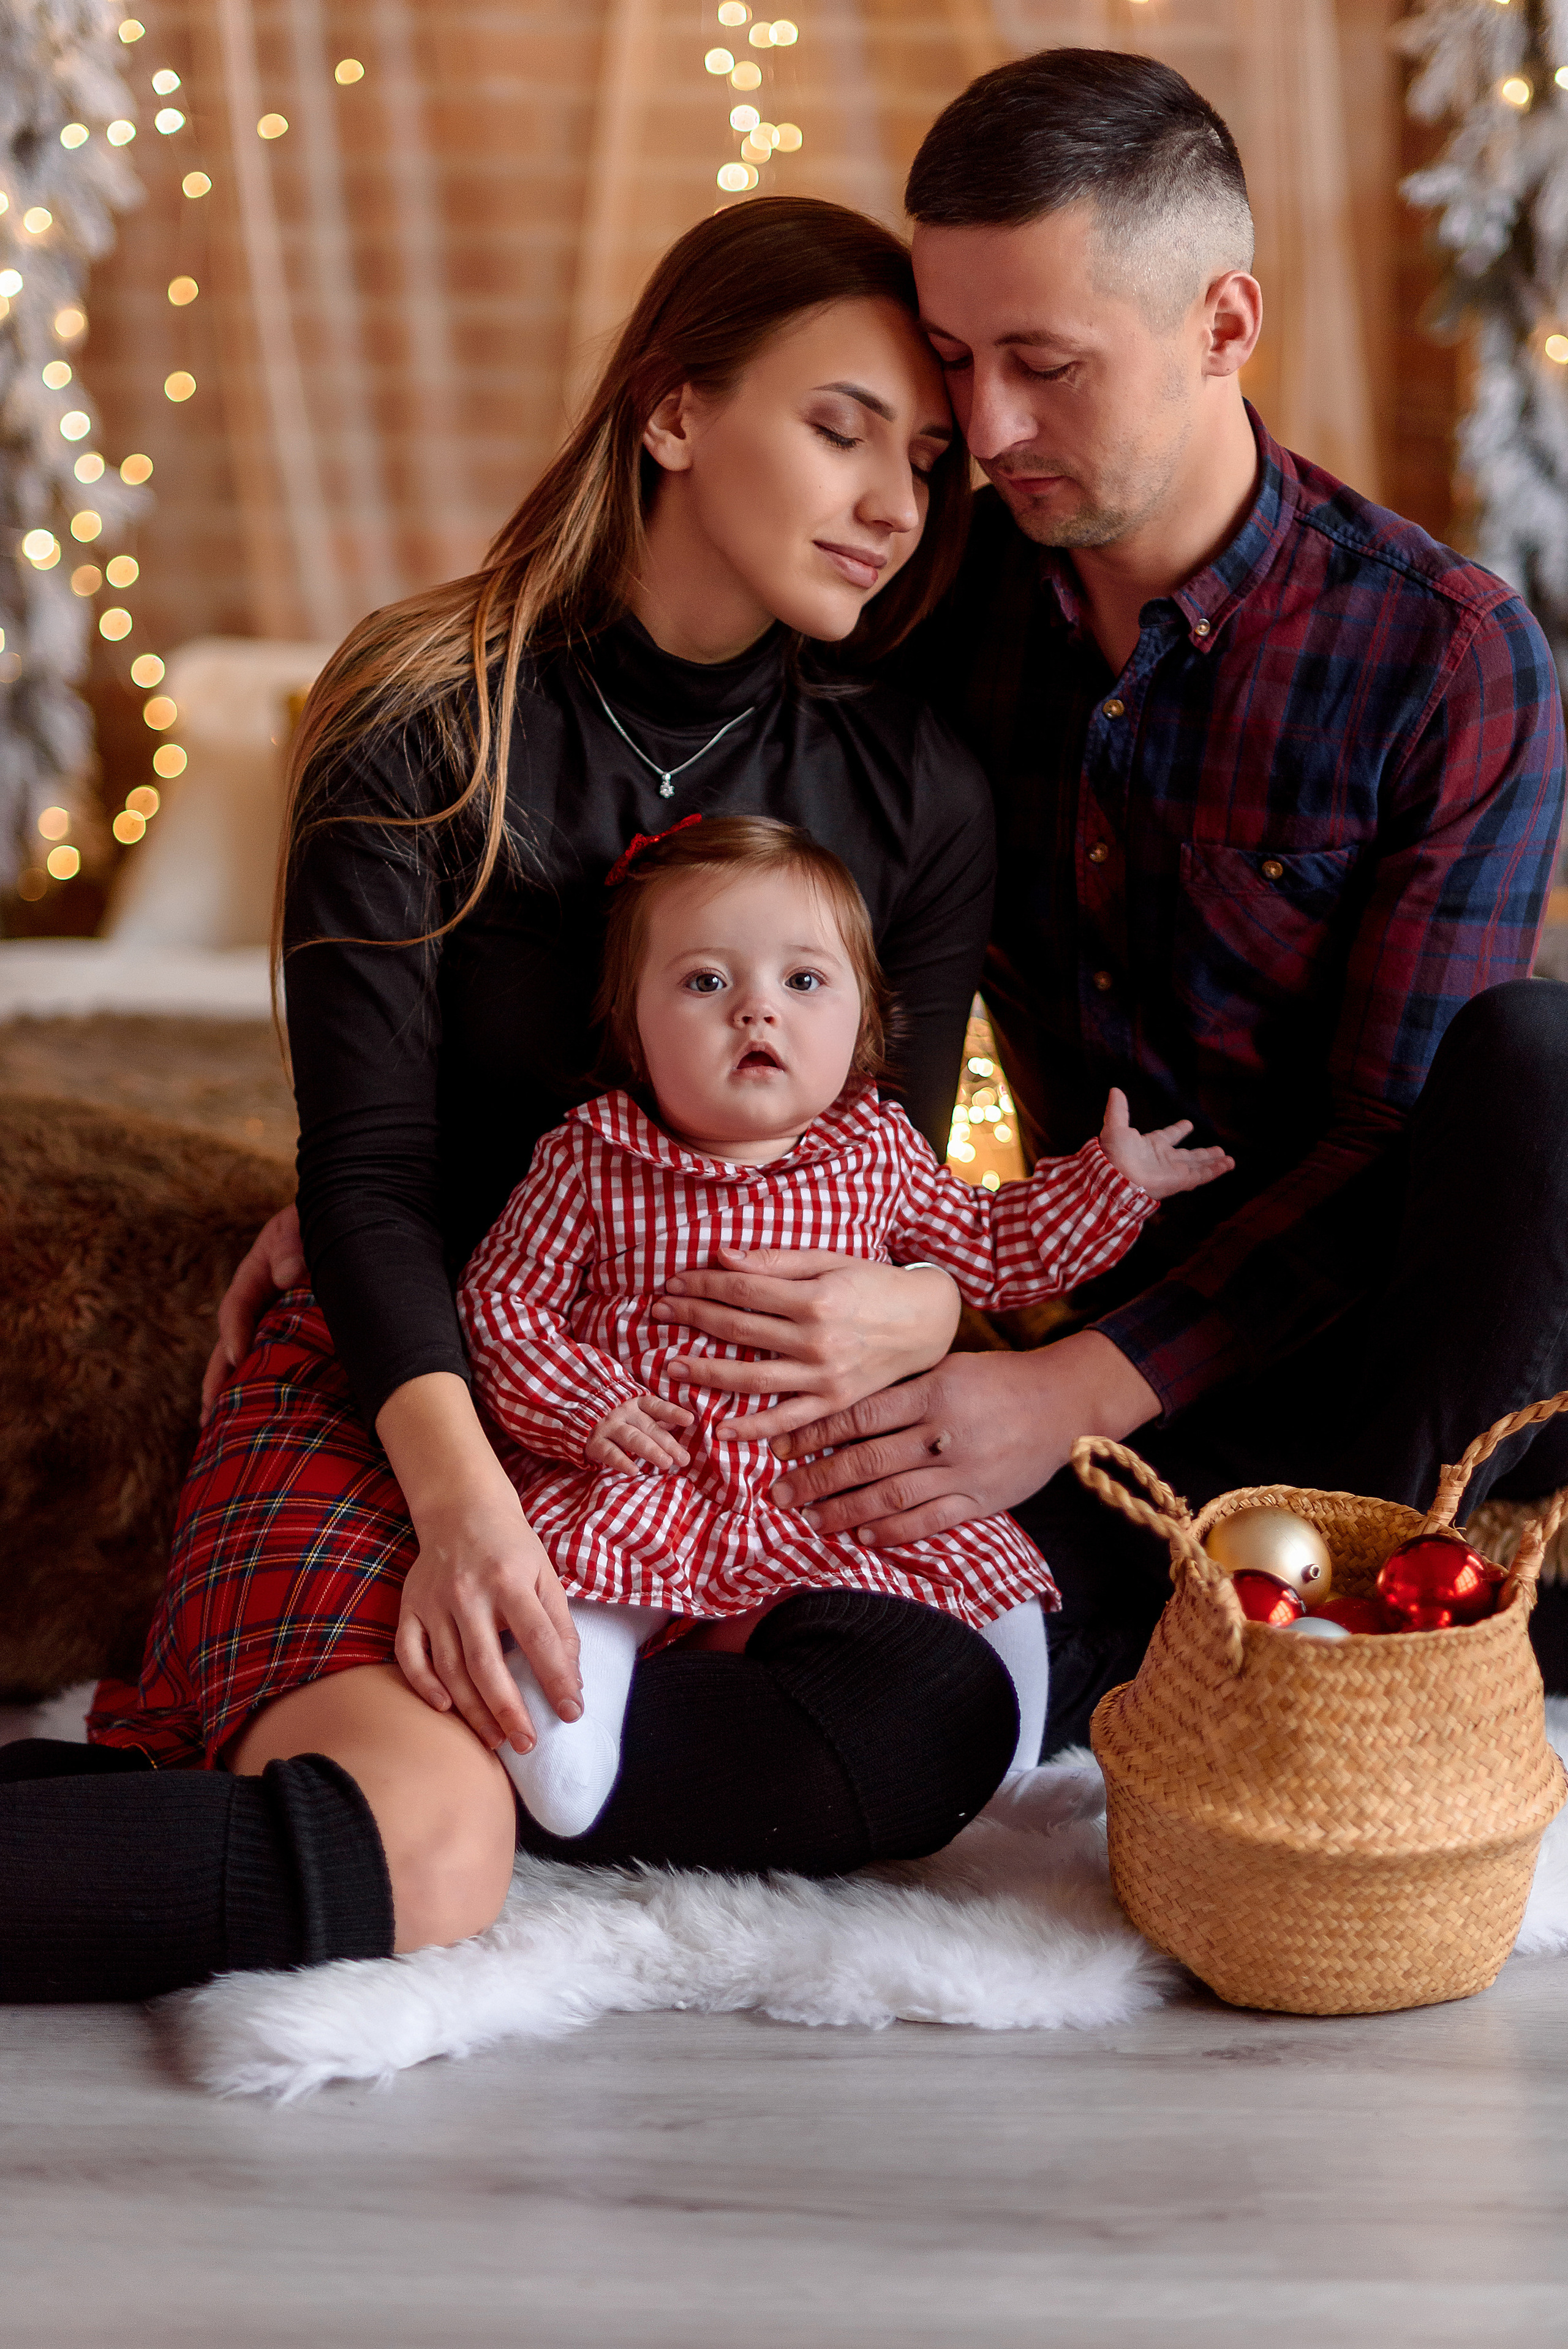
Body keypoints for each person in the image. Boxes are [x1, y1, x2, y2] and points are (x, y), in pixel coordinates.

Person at [0, 197, 1023, 2003]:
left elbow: (889, 1183)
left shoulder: (911, 782)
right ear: (672, 411)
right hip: (416, 1391)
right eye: (841, 426)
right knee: (427, 1853)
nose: (892, 499)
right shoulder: (421, 715)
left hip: (706, 1433)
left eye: (925, 461)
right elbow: (372, 1175)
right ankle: (360, 1762)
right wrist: (468, 1508)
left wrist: (938, 1297)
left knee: (927, 1725)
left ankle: (339, 1760)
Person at [738, 50, 1568, 1752]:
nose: (984, 432)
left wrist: (1061, 1393)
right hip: (1121, 1373)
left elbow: (1389, 1150)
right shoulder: (934, 599)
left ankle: (1387, 1608)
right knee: (865, 1707)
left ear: (1222, 323)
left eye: (1046, 366)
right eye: (954, 363)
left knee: (1544, 1065)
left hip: (1401, 1364)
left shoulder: (1447, 650)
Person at [455, 813, 1231, 1840]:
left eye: (803, 982)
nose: (755, 1012)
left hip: (834, 1481)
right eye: (704, 983)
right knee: (584, 1589)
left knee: (981, 1573)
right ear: (630, 1026)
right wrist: (587, 1404)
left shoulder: (874, 1149)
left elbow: (992, 1246)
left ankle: (1003, 1761)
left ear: (864, 1024)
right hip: (648, 1466)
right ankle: (566, 1743)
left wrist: (1111, 1184)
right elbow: (502, 1302)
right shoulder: (593, 1156)